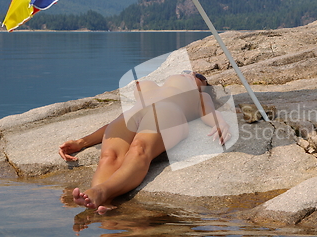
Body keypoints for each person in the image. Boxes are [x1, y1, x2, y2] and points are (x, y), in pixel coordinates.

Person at [59, 71, 231, 214]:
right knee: (108, 156)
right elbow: (109, 127)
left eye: (199, 76)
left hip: (168, 111)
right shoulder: (152, 88)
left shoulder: (199, 94)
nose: (191, 73)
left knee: (139, 148)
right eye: (189, 72)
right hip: (134, 113)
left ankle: (100, 192)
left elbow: (208, 111)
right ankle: (104, 202)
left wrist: (220, 123)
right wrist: (82, 142)